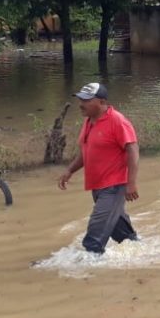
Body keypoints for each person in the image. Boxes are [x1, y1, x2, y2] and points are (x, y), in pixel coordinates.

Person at [57, 82, 140, 254]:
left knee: (93, 240)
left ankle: (85, 275)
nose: (81, 104)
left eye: (87, 100)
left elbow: (133, 150)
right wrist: (70, 170)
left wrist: (131, 183)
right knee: (125, 238)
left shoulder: (117, 121)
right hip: (98, 187)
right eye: (80, 99)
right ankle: (143, 255)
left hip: (114, 187)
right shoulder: (89, 122)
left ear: (102, 102)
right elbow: (86, 152)